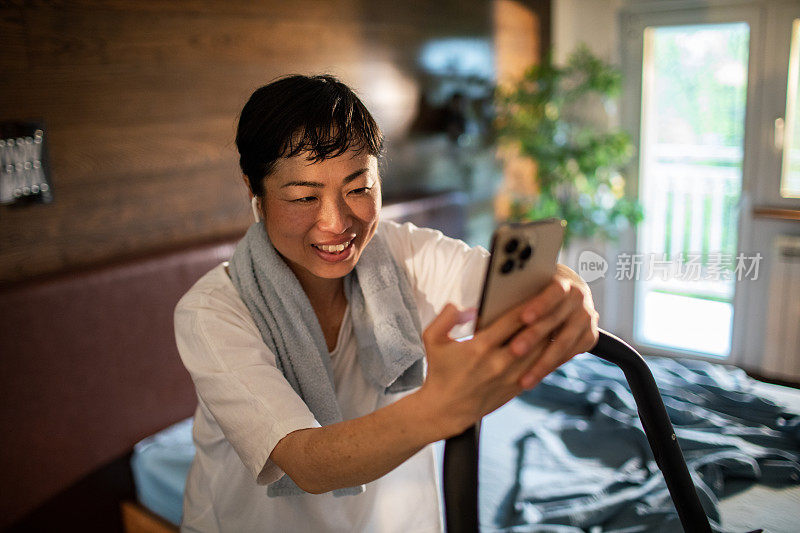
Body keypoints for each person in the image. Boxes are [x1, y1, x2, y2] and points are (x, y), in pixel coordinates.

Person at [174, 74, 599, 533]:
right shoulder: (212, 314)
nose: (336, 223)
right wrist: (441, 407)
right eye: (303, 197)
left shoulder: (401, 254)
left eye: (358, 188)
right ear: (253, 189)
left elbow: (514, 282)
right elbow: (305, 460)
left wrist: (569, 291)